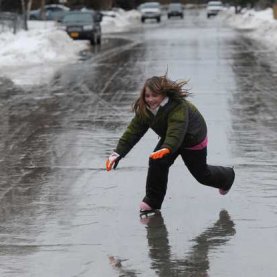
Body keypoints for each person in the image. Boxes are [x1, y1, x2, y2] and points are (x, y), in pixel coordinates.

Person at [105, 74, 235, 213]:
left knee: (202, 175)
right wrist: (118, 152)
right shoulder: (145, 109)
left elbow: (177, 129)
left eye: (154, 95)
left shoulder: (178, 106)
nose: (150, 99)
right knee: (156, 161)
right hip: (171, 138)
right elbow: (133, 131)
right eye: (147, 96)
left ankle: (227, 176)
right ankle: (152, 201)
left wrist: (167, 147)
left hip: (192, 138)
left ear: (163, 94)